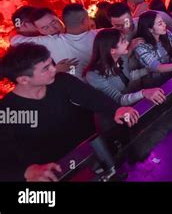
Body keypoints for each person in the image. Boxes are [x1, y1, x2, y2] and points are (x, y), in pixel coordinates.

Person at [0, 43, 138, 181]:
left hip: (93, 157)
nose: (54, 69)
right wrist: (26, 172)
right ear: (24, 80)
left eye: (51, 63)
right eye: (46, 68)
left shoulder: (62, 81)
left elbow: (93, 98)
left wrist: (116, 109)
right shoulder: (6, 111)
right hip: (59, 173)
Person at [11, 4, 97, 81]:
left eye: (54, 22)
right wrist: (55, 69)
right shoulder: (46, 43)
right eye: (45, 27)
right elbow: (14, 40)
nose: (52, 29)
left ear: (59, 17)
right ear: (39, 30)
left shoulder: (84, 28)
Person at [85, 28, 167, 106]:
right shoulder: (93, 75)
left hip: (130, 105)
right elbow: (119, 99)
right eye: (123, 41)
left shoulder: (120, 58)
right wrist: (143, 93)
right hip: (115, 114)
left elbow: (128, 76)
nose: (128, 42)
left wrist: (149, 69)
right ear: (112, 50)